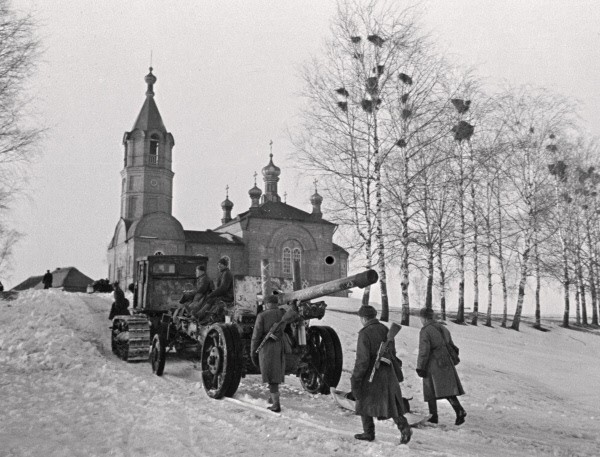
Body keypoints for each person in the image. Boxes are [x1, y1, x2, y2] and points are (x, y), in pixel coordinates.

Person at [350, 305, 412, 444]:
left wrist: (356, 377)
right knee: (391, 402)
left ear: (364, 318)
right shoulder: (385, 329)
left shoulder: (364, 333)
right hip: (388, 370)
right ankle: (404, 428)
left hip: (371, 371)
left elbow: (362, 360)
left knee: (362, 397)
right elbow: (392, 352)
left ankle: (368, 432)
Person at [416, 307, 467, 425]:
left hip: (433, 362)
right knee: (446, 388)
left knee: (430, 387)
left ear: (423, 318)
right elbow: (451, 345)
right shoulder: (443, 328)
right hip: (446, 361)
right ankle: (458, 410)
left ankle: (433, 416)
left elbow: (424, 351)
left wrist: (420, 367)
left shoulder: (425, 330)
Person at [250, 295, 299, 413]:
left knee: (271, 375)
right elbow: (294, 315)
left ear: (266, 304)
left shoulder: (262, 316)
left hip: (267, 346)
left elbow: (256, 336)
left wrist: (253, 351)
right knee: (276, 371)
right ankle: (272, 399)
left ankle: (276, 404)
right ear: (276, 303)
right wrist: (293, 305)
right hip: (280, 345)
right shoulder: (282, 313)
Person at [195, 257, 233, 323]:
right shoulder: (223, 273)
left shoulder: (226, 273)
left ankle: (203, 317)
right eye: (218, 265)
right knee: (209, 298)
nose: (219, 266)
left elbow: (223, 288)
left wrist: (212, 294)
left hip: (227, 296)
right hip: (223, 294)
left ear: (225, 265)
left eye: (221, 264)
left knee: (211, 299)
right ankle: (200, 315)